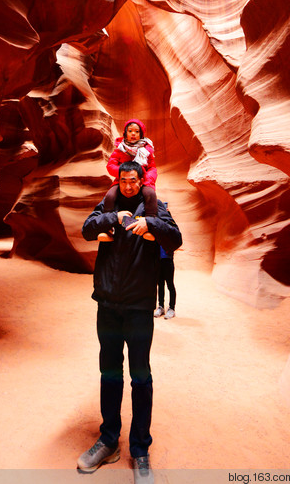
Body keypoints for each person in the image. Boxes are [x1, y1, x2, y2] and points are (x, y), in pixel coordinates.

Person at [77, 161, 182, 483]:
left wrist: (150, 225)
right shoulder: (107, 204)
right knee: (109, 373)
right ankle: (109, 440)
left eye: (132, 181)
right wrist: (114, 218)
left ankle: (140, 449)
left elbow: (175, 239)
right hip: (107, 304)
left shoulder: (155, 206)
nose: (127, 186)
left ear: (141, 181)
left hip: (138, 306)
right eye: (122, 181)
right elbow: (86, 229)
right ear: (118, 180)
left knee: (140, 377)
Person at [100, 120, 157, 241]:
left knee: (150, 194)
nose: (133, 134)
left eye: (136, 131)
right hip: (122, 181)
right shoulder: (120, 149)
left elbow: (152, 167)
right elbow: (110, 166)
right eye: (130, 131)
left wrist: (147, 179)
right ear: (125, 133)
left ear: (141, 134)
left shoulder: (147, 150)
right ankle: (108, 228)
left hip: (142, 181)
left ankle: (150, 225)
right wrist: (122, 173)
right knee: (110, 196)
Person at [154, 246, 176, 319]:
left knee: (170, 285)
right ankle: (161, 307)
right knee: (160, 285)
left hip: (168, 260)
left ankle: (172, 308)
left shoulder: (168, 235)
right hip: (158, 261)